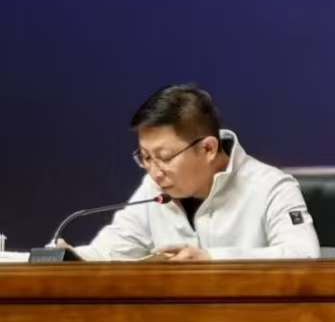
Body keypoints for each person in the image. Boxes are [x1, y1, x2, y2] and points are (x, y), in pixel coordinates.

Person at [71, 85, 320, 261]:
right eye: (145, 157)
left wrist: (211, 259)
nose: (154, 172)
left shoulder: (271, 187)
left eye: (164, 157)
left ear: (208, 149)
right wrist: (66, 256)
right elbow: (111, 249)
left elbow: (304, 255)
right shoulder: (153, 188)